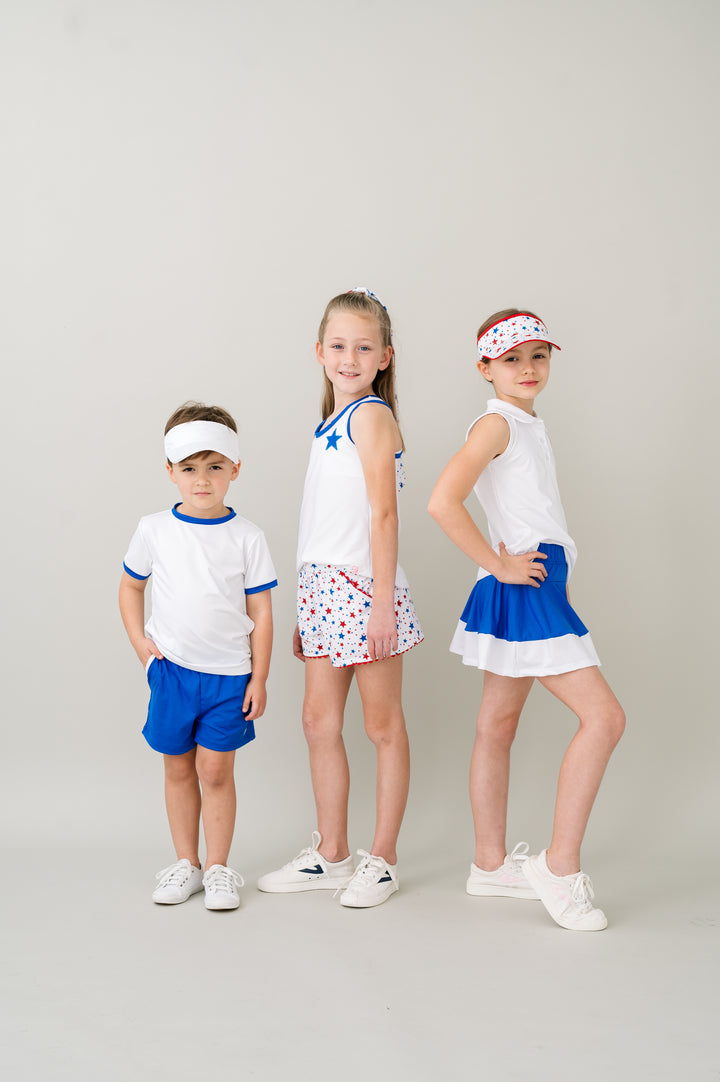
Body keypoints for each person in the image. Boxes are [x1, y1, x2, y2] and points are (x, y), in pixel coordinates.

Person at [428, 309, 625, 931]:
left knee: (496, 725)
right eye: (511, 358)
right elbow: (442, 500)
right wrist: (499, 564)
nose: (528, 367)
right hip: (525, 583)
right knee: (605, 719)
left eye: (539, 355)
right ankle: (559, 867)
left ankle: (489, 864)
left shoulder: (525, 423)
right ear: (485, 368)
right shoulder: (496, 423)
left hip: (536, 579)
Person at [258, 288, 423, 908]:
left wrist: (381, 604)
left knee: (382, 726)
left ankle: (383, 860)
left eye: (363, 347)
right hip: (324, 591)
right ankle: (331, 854)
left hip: (364, 589)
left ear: (384, 356)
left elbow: (384, 515)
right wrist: (308, 605)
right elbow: (323, 521)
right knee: (318, 722)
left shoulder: (372, 416)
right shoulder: (331, 422)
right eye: (338, 346)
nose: (349, 358)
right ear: (319, 352)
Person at [119, 402, 276, 911]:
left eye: (214, 467)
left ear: (235, 469)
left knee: (216, 771)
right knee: (178, 769)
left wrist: (259, 678)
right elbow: (130, 587)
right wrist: (141, 644)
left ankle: (218, 868)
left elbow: (262, 612)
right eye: (188, 468)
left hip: (230, 677)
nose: (202, 480)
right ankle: (186, 862)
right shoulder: (153, 529)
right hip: (172, 673)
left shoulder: (248, 537)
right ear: (170, 472)